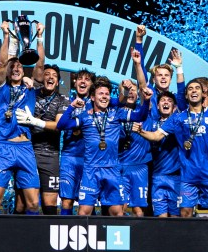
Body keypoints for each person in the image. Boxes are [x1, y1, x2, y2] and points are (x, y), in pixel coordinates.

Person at [19, 75, 152, 216]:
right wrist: (71, 107)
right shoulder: (85, 116)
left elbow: (141, 116)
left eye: (107, 94)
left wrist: (147, 100)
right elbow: (62, 124)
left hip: (112, 169)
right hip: (91, 171)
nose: (104, 97)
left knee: (117, 212)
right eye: (101, 94)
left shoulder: (116, 113)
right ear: (93, 97)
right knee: (84, 212)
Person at [137, 77, 208, 218]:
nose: (193, 91)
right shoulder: (177, 118)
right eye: (190, 89)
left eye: (197, 88)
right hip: (188, 176)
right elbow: (156, 136)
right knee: (185, 214)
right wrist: (141, 132)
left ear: (203, 93)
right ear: (186, 95)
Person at [0, 20, 41, 215]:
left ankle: (31, 234)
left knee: (33, 204)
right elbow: (2, 64)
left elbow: (40, 65)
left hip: (25, 148)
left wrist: (40, 38)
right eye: (13, 67)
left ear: (24, 70)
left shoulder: (30, 88)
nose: (16, 69)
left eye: (19, 66)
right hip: (4, 148)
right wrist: (6, 36)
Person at [23, 29, 67, 215]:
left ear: (57, 82)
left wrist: (35, 121)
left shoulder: (63, 100)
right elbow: (37, 66)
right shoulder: (31, 93)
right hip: (28, 153)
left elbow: (58, 126)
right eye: (47, 74)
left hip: (50, 157)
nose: (50, 77)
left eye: (54, 76)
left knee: (50, 204)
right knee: (26, 203)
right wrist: (24, 77)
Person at [116, 50, 151, 216]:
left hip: (140, 167)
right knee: (119, 208)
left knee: (138, 209)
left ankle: (141, 233)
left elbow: (144, 86)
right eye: (127, 89)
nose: (131, 92)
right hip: (119, 165)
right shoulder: (115, 112)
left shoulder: (145, 111)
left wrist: (137, 64)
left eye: (133, 90)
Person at [58, 67, 96, 215]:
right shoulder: (66, 100)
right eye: (80, 78)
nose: (83, 82)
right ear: (74, 83)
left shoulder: (96, 104)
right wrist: (71, 107)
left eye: (87, 79)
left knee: (87, 203)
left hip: (89, 159)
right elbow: (60, 125)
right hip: (69, 157)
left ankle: (90, 229)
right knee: (66, 201)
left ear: (92, 84)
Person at [142, 90, 181, 217]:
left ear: (174, 107)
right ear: (157, 106)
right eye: (162, 100)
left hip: (175, 177)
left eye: (169, 101)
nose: (166, 102)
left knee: (175, 218)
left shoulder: (178, 123)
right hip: (157, 176)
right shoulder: (151, 122)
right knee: (161, 218)